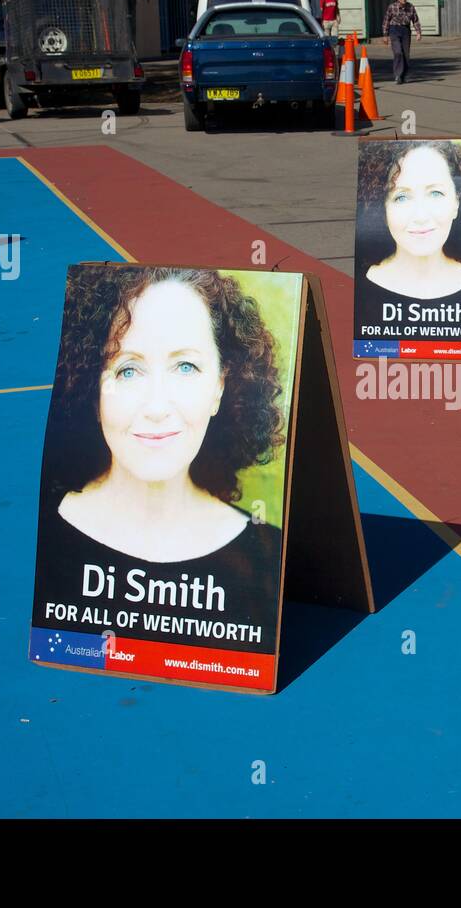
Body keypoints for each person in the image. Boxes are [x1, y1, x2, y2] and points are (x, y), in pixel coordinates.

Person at [34, 266, 286, 650]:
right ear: (90, 388)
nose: (155, 407)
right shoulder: (40, 545)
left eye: (186, 367)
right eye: (128, 370)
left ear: (220, 385)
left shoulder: (272, 561)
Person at [353, 141, 461, 334]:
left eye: (435, 193)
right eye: (401, 197)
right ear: (382, 209)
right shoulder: (358, 294)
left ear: (457, 202)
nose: (420, 216)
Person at [382, 0, 422, 85]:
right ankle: (397, 75)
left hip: (405, 31)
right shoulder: (392, 7)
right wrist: (385, 35)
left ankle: (403, 76)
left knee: (406, 55)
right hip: (394, 30)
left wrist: (418, 32)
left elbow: (415, 20)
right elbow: (386, 21)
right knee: (398, 52)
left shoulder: (410, 7)